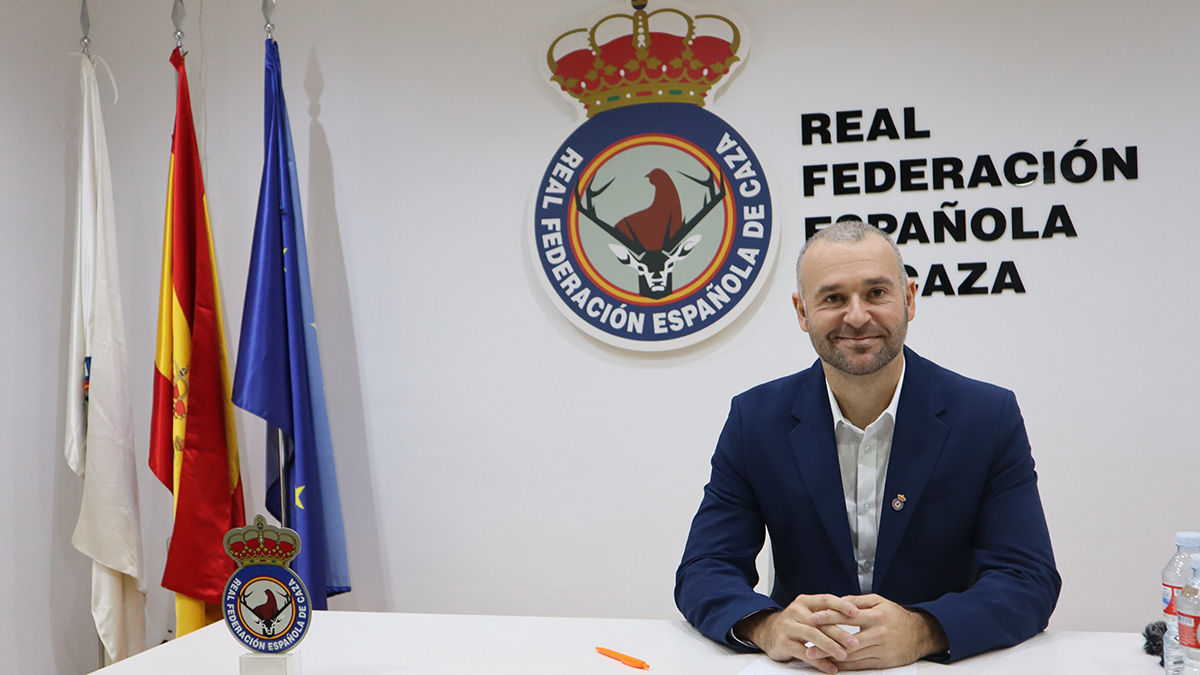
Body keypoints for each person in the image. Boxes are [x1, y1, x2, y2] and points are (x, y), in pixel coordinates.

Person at [674, 220, 1060, 672]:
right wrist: (767, 625)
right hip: (807, 669)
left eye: (876, 293)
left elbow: (1027, 578)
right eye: (833, 298)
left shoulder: (987, 416)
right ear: (802, 312)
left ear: (909, 299)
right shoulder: (755, 420)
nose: (857, 317)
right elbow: (705, 567)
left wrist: (923, 630)